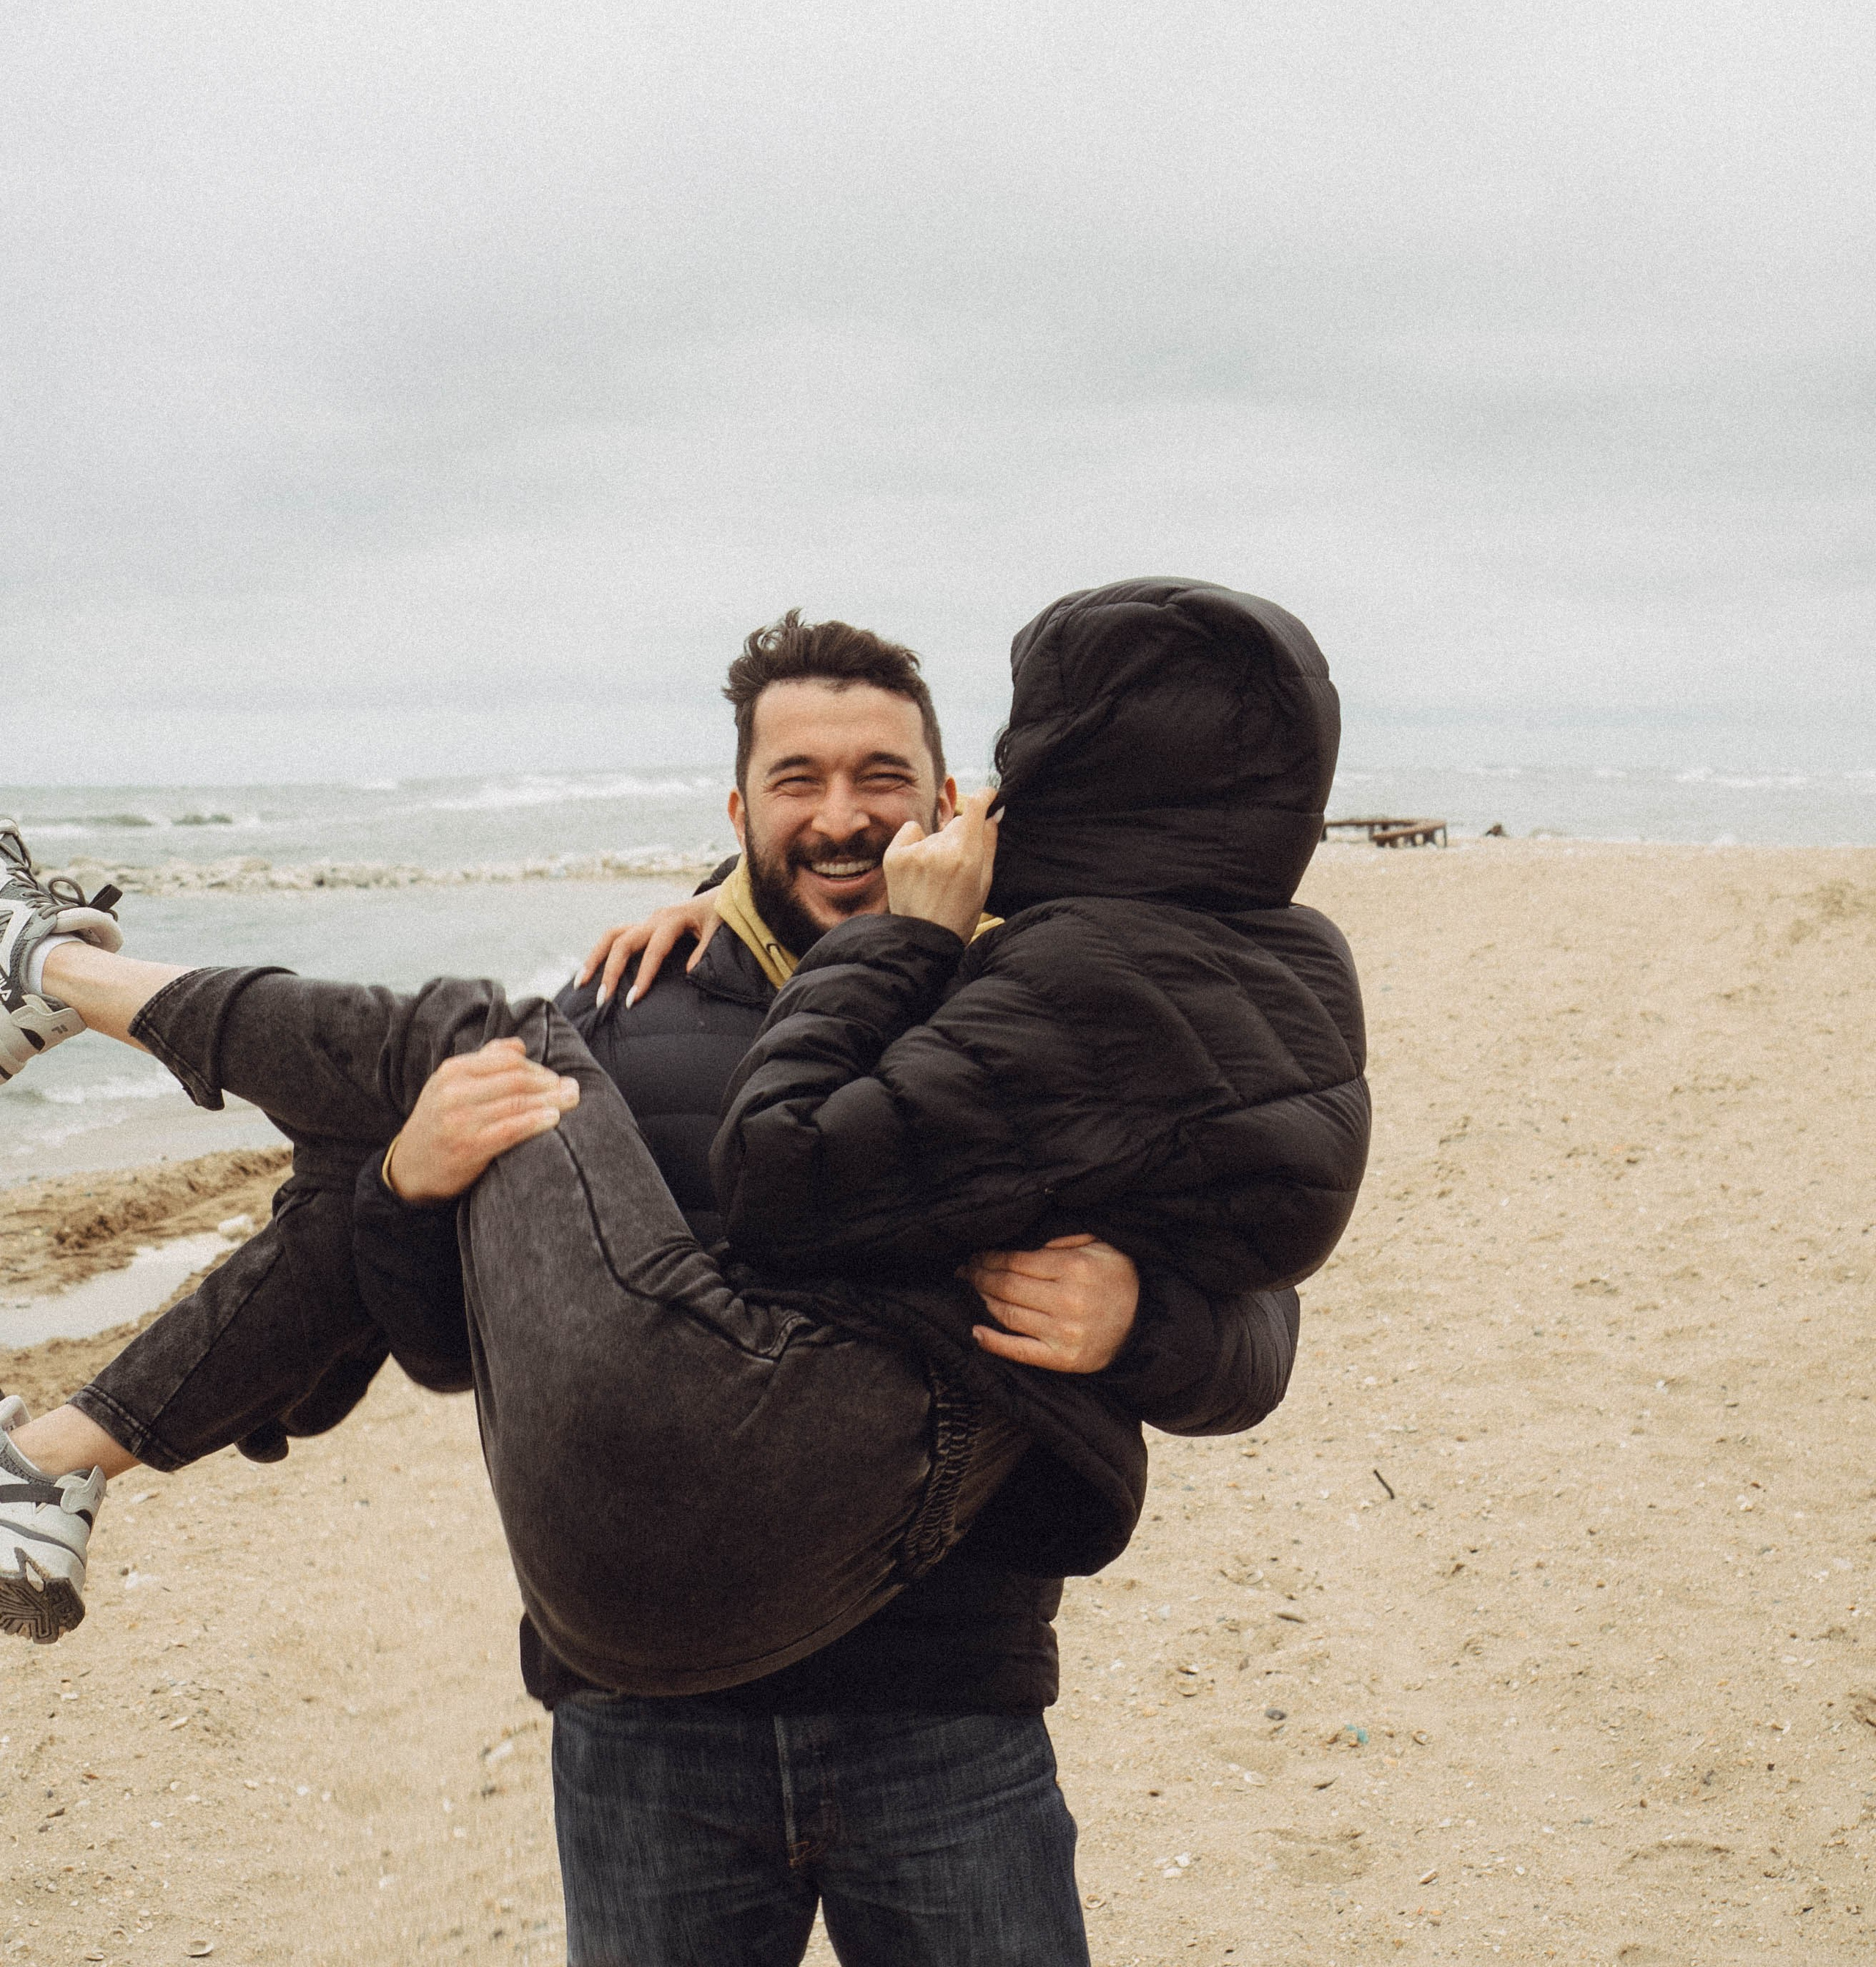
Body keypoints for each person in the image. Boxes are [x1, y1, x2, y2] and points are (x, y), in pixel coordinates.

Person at [0, 581, 1368, 1966]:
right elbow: (454, 1349)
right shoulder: (624, 1012)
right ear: (737, 817)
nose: (840, 815)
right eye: (799, 781)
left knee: (457, 1036)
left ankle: (54, 1004)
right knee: (426, 1089)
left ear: (954, 805)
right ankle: (55, 1054)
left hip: (944, 1704)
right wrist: (409, 1188)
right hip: (650, 1737)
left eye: (881, 778)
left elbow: (1254, 1333)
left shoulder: (1032, 1002)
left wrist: (1138, 1324)